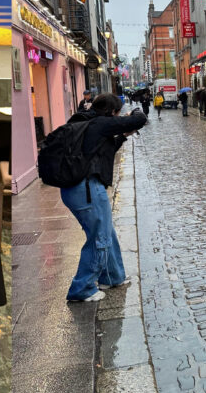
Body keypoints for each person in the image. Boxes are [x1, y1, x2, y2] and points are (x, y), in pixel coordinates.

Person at [61, 94, 146, 304]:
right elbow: (140, 119)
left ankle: (111, 277)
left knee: (106, 232)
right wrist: (131, 115)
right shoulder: (100, 123)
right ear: (112, 112)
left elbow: (103, 152)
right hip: (87, 188)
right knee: (99, 237)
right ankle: (82, 288)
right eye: (118, 113)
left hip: (80, 187)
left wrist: (122, 135)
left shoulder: (89, 122)